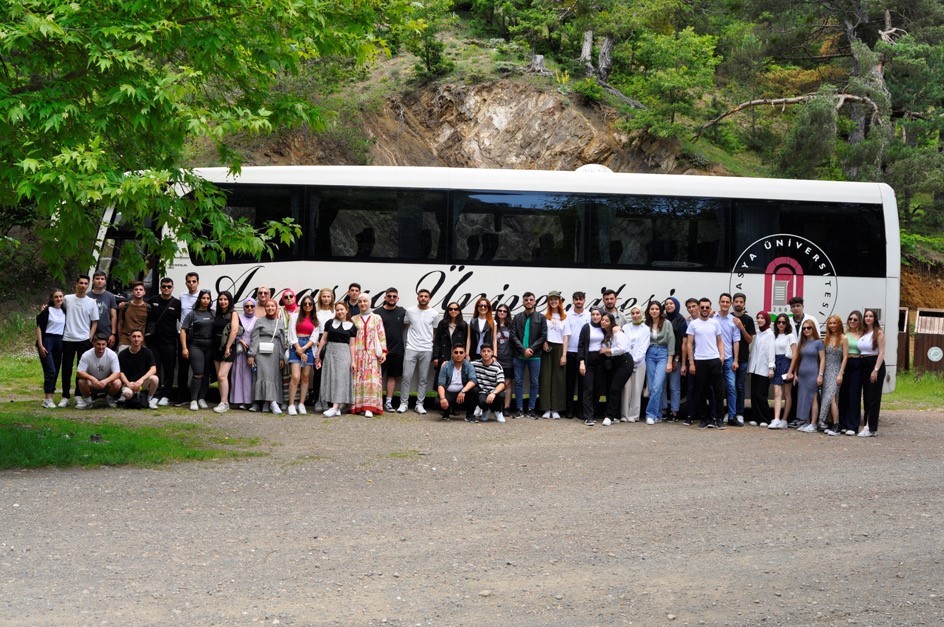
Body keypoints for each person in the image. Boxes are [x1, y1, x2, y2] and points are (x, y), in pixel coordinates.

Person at [398, 289, 440, 415]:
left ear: (429, 299)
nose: (423, 298)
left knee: (423, 378)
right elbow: (404, 324)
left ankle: (419, 404)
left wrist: (430, 343)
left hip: (426, 349)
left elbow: (435, 331)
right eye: (421, 296)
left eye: (425, 296)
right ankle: (403, 403)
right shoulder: (410, 311)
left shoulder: (434, 313)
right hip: (411, 347)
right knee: (406, 377)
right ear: (417, 298)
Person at [60, 275, 99, 407]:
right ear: (76, 284)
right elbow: (56, 309)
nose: (83, 286)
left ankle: (78, 395)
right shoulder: (67, 299)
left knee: (81, 369)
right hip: (68, 338)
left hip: (84, 339)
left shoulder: (91, 302)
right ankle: (65, 396)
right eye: (81, 283)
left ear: (88, 285)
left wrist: (90, 336)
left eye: (85, 283)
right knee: (66, 368)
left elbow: (95, 322)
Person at [687, 298, 726, 430]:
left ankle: (719, 419)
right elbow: (689, 344)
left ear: (710, 308)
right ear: (698, 307)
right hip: (700, 360)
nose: (704, 310)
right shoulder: (693, 324)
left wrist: (722, 356)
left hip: (714, 360)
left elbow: (720, 341)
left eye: (707, 307)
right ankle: (704, 419)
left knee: (718, 391)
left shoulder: (715, 323)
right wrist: (691, 363)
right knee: (701, 392)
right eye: (702, 307)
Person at [316, 301, 357, 417]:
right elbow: (323, 339)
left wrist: (353, 361)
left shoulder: (352, 326)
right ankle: (337, 406)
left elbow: (352, 345)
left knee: (340, 380)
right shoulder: (330, 323)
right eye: (337, 310)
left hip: (344, 354)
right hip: (330, 352)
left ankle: (334, 408)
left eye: (342, 309)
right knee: (330, 378)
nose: (339, 312)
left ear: (346, 310)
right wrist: (318, 355)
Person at [510, 292, 547, 418]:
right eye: (526, 300)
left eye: (531, 299)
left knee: (534, 383)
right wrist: (523, 349)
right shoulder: (517, 317)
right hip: (518, 356)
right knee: (518, 383)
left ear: (535, 302)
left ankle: (531, 409)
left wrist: (531, 349)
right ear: (523, 302)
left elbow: (543, 336)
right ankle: (519, 409)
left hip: (535, 356)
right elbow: (513, 336)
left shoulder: (541, 318)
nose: (529, 302)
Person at [785, 320, 825, 433]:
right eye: (804, 328)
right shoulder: (802, 343)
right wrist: (795, 373)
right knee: (803, 398)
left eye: (809, 328)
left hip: (813, 373)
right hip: (802, 374)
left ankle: (813, 423)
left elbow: (822, 360)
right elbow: (798, 359)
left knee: (813, 398)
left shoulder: (819, 342)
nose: (806, 330)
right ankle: (806, 421)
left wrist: (820, 375)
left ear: (813, 329)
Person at [248, 298, 286, 414]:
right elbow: (254, 338)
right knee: (261, 376)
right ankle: (262, 402)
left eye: (272, 306)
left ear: (276, 308)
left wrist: (281, 357)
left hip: (274, 353)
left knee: (272, 377)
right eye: (268, 306)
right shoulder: (260, 321)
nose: (270, 308)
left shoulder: (279, 323)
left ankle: (267, 403)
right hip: (261, 352)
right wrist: (251, 354)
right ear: (265, 308)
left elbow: (282, 341)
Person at [351, 294, 387, 417]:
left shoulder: (377, 318)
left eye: (365, 301)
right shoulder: (354, 319)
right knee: (358, 379)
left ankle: (370, 407)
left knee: (372, 380)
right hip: (358, 354)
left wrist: (383, 352)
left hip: (372, 355)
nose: (362, 303)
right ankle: (358, 405)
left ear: (369, 302)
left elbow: (381, 334)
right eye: (360, 301)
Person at [147, 277, 181, 406]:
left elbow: (182, 322)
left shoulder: (177, 303)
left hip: (170, 342)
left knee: (169, 369)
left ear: (172, 288)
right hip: (154, 342)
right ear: (160, 287)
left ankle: (166, 395)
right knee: (156, 369)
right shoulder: (153, 300)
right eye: (164, 286)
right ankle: (156, 394)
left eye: (169, 286)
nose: (166, 288)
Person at [180, 289, 214, 410]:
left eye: (208, 298)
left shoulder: (213, 313)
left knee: (206, 374)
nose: (205, 300)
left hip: (210, 347)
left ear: (210, 300)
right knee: (198, 373)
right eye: (203, 298)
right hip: (196, 346)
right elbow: (183, 330)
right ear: (199, 299)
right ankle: (193, 400)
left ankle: (202, 398)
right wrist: (184, 348)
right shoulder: (192, 314)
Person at [375, 288, 407, 412]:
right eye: (389, 296)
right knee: (378, 377)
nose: (392, 298)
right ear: (385, 298)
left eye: (394, 296)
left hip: (397, 350)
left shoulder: (402, 312)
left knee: (392, 377)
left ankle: (388, 402)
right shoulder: (377, 313)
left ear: (397, 298)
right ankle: (376, 401)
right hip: (380, 352)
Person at [286, 294, 318, 415]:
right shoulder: (294, 317)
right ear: (302, 305)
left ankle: (301, 403)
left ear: (313, 306)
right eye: (305, 304)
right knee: (295, 377)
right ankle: (291, 404)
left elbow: (315, 337)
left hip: (308, 347)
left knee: (305, 378)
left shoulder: (315, 319)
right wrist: (298, 349)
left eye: (310, 304)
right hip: (296, 345)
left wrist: (304, 349)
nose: (307, 306)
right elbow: (291, 334)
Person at [599, 312, 633, 426]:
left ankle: (609, 416)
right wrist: (607, 351)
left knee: (615, 388)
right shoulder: (604, 334)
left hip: (625, 362)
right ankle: (616, 415)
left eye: (606, 320)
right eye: (602, 320)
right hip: (614, 362)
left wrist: (607, 350)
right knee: (612, 388)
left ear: (612, 322)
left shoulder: (617, 333)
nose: (603, 322)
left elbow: (622, 348)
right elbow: (607, 353)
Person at [713, 293, 742, 426]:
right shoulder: (712, 318)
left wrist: (736, 360)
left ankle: (732, 416)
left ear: (730, 304)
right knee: (714, 388)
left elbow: (736, 341)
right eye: (722, 301)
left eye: (727, 302)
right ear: (719, 302)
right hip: (714, 358)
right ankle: (714, 415)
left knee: (731, 388)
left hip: (729, 358)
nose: (725, 304)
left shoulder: (733, 320)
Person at [643, 301, 674, 425]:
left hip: (663, 354)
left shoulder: (667, 323)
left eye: (657, 309)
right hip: (649, 354)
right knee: (652, 387)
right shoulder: (646, 324)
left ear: (660, 311)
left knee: (657, 386)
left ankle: (650, 414)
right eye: (652, 309)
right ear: (649, 311)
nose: (654, 311)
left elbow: (671, 342)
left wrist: (670, 362)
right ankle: (658, 415)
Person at [857, 308, 885, 437]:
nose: (868, 318)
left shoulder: (878, 332)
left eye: (871, 316)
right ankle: (867, 425)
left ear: (875, 318)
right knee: (866, 397)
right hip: (863, 364)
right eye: (866, 316)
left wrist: (876, 370)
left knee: (873, 397)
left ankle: (870, 427)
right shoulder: (863, 333)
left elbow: (882, 353)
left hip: (874, 364)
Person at [819, 315, 849, 435]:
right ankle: (830, 422)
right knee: (829, 397)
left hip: (836, 369)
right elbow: (823, 357)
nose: (832, 325)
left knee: (831, 397)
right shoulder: (826, 338)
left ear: (839, 324)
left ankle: (836, 425)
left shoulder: (843, 338)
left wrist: (840, 374)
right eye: (830, 323)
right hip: (826, 371)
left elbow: (845, 356)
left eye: (834, 323)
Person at [538, 291, 567, 419]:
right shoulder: (545, 317)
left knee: (558, 378)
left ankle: (556, 408)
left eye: (556, 299)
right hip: (547, 347)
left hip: (559, 347)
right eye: (551, 299)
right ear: (548, 301)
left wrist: (564, 355)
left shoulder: (565, 317)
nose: (553, 301)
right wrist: (544, 342)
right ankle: (546, 408)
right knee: (546, 377)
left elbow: (565, 337)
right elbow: (542, 333)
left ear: (559, 301)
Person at [36, 289, 66, 408]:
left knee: (56, 370)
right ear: (52, 299)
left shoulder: (65, 311)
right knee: (50, 371)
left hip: (59, 341)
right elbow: (38, 327)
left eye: (60, 296)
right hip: (47, 340)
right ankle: (47, 399)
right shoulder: (47, 311)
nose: (59, 299)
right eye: (56, 297)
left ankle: (51, 398)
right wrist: (40, 345)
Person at [211, 291, 240, 413]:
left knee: (222, 376)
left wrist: (228, 347)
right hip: (216, 346)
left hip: (228, 347)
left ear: (230, 301)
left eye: (225, 299)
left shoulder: (233, 313)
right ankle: (223, 401)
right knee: (220, 377)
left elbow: (234, 331)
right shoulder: (217, 314)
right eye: (221, 299)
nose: (223, 302)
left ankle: (224, 403)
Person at [620, 304, 650, 423]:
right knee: (626, 388)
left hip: (640, 362)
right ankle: (624, 415)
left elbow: (644, 346)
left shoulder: (645, 329)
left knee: (637, 389)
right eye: (633, 313)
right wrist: (628, 360)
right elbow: (624, 344)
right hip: (626, 362)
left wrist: (636, 360)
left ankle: (633, 415)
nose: (635, 315)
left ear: (641, 314)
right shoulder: (626, 327)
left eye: (637, 313)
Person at [562, 291, 589, 419]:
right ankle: (569, 409)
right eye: (576, 299)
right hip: (570, 352)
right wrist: (564, 354)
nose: (578, 301)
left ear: (584, 300)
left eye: (581, 299)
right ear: (573, 300)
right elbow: (565, 336)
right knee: (570, 383)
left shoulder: (589, 315)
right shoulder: (567, 315)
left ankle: (580, 410)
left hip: (584, 353)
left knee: (582, 384)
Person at [75, 333, 122, 409]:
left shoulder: (112, 354)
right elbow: (79, 372)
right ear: (93, 344)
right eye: (98, 344)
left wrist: (106, 381)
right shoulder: (86, 355)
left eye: (103, 344)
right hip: (92, 383)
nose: (101, 347)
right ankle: (88, 401)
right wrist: (92, 378)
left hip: (106, 383)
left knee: (117, 383)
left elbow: (117, 373)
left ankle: (109, 398)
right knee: (81, 381)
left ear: (107, 344)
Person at [309, 287, 336, 411]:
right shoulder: (316, 312)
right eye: (324, 296)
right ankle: (317, 399)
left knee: (330, 373)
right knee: (318, 372)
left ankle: (327, 399)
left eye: (328, 296)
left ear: (332, 298)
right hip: (318, 342)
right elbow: (313, 329)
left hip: (332, 342)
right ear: (320, 298)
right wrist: (318, 342)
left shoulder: (335, 312)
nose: (326, 299)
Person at [768, 313, 797, 429]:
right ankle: (776, 418)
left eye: (783, 322)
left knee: (787, 394)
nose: (781, 324)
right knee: (777, 393)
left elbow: (795, 355)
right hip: (776, 363)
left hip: (786, 364)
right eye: (779, 322)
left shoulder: (790, 336)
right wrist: (771, 367)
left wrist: (791, 371)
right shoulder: (774, 336)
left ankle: (784, 420)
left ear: (787, 324)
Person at [118, 329, 159, 409]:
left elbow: (153, 369)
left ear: (142, 338)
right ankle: (129, 397)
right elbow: (120, 372)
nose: (136, 339)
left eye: (138, 336)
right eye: (134, 336)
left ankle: (149, 399)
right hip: (129, 383)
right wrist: (128, 384)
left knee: (155, 379)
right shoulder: (122, 354)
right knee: (127, 394)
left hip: (142, 383)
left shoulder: (147, 352)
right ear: (129, 338)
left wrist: (141, 380)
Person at [746, 311, 774, 427]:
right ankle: (755, 417)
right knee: (754, 395)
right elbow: (752, 350)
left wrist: (771, 367)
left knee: (761, 395)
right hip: (755, 368)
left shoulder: (770, 334)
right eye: (758, 318)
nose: (760, 320)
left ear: (767, 320)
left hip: (764, 369)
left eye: (762, 318)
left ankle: (765, 418)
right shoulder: (757, 333)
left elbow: (771, 351)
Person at [578, 308, 605, 425]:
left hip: (601, 361)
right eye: (593, 314)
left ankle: (593, 413)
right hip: (588, 361)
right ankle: (587, 416)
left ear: (601, 316)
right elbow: (581, 345)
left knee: (598, 389)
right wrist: (582, 362)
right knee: (588, 389)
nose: (595, 316)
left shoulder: (605, 327)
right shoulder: (586, 327)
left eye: (598, 314)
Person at [176, 272, 200, 404]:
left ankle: (197, 397)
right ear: (186, 283)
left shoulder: (202, 296)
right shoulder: (182, 296)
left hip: (197, 336)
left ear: (198, 282)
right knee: (183, 368)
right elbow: (180, 314)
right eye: (189, 281)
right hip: (184, 335)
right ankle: (181, 397)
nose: (191, 284)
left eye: (194, 281)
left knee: (198, 368)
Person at [436, 343, 477, 421]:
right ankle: (446, 413)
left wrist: (463, 391)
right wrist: (443, 398)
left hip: (462, 394)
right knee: (439, 400)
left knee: (475, 390)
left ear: (465, 354)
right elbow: (440, 383)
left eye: (461, 352)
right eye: (456, 352)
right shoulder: (446, 365)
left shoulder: (469, 365)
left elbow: (473, 380)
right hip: (449, 393)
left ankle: (469, 415)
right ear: (452, 353)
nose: (458, 355)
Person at [229, 298, 258, 409]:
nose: (249, 308)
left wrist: (252, 348)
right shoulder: (238, 318)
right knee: (239, 375)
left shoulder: (257, 320)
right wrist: (239, 340)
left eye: (252, 306)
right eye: (247, 306)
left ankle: (250, 400)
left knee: (249, 376)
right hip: (240, 351)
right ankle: (240, 400)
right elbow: (232, 332)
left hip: (251, 352)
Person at [731, 292, 755, 424]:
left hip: (743, 358)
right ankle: (730, 412)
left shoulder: (748, 320)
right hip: (729, 358)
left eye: (741, 302)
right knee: (730, 387)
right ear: (733, 303)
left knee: (740, 387)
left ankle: (739, 413)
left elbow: (750, 340)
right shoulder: (728, 317)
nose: (738, 304)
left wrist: (741, 328)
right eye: (736, 301)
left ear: (744, 304)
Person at [839, 310, 864, 435]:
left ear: (859, 321)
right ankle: (843, 424)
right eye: (850, 319)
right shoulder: (844, 333)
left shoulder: (862, 335)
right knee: (843, 394)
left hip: (857, 363)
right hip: (845, 363)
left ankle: (853, 426)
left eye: (855, 319)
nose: (852, 321)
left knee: (854, 395)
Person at [662, 296, 687, 421]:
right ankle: (664, 410)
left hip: (675, 357)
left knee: (674, 386)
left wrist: (676, 360)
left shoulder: (681, 320)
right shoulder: (663, 319)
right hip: (662, 356)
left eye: (671, 303)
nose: (669, 306)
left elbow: (681, 342)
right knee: (662, 385)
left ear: (676, 305)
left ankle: (674, 412)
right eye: (667, 304)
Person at [433, 301, 468, 378]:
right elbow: (437, 341)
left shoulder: (463, 325)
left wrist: (466, 355)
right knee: (443, 378)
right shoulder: (442, 324)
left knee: (457, 378)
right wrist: (435, 356)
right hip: (444, 355)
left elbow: (466, 341)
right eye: (451, 309)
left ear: (459, 311)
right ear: (447, 311)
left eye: (455, 309)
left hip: (458, 356)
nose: (453, 311)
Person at [472, 344, 506, 423]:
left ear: (492, 353)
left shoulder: (498, 367)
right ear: (480, 353)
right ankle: (486, 410)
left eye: (488, 351)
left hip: (494, 391)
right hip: (483, 392)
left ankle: (498, 411)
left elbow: (502, 384)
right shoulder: (474, 364)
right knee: (480, 399)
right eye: (484, 351)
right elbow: (461, 363)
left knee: (502, 394)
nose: (486, 353)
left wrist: (493, 393)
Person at [680, 298, 699, 425]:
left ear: (698, 306)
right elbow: (684, 344)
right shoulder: (685, 324)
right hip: (691, 360)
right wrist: (683, 364)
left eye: (693, 306)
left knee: (707, 389)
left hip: (705, 359)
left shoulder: (709, 321)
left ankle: (707, 416)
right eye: (689, 307)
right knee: (691, 389)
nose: (691, 309)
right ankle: (690, 415)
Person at [494, 304, 515, 415]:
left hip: (509, 358)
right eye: (500, 310)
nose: (502, 312)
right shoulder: (494, 325)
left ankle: (506, 408)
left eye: (504, 311)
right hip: (497, 359)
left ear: (507, 313)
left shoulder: (511, 326)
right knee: (497, 384)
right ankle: (498, 406)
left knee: (508, 384)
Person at [89, 270, 118, 348]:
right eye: (97, 278)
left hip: (106, 331)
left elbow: (113, 316)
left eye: (102, 279)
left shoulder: (110, 296)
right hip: (89, 330)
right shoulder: (87, 296)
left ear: (105, 281)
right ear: (93, 281)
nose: (100, 281)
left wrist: (113, 334)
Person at [117, 281, 150, 350]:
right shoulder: (125, 306)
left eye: (141, 290)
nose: (138, 291)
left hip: (141, 342)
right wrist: (120, 340)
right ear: (132, 292)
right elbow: (120, 323)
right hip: (125, 341)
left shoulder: (148, 308)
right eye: (136, 289)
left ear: (144, 292)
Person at [466, 296, 497, 362]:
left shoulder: (493, 322)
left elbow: (494, 339)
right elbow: (469, 338)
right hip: (473, 354)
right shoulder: (471, 321)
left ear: (488, 308)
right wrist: (467, 354)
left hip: (487, 354)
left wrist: (494, 355)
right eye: (480, 306)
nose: (483, 308)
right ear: (477, 308)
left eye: (485, 306)